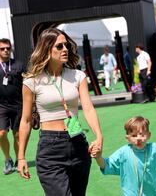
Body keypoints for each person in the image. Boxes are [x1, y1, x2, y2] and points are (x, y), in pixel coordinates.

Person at [18, 28, 103, 196]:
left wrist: (99, 136)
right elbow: (26, 121)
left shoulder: (78, 76)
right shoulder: (32, 81)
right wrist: (21, 157)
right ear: (46, 49)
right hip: (50, 150)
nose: (65, 49)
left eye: (66, 45)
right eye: (59, 46)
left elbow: (88, 108)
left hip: (78, 144)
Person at [91, 116, 156, 196]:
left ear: (149, 135)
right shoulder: (123, 152)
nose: (139, 138)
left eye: (142, 134)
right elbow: (106, 165)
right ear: (127, 138)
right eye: (134, 136)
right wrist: (98, 157)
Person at [0, 38, 25, 174]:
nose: (6, 51)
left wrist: (31, 106)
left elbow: (27, 85)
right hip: (1, 106)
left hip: (18, 105)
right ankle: (7, 159)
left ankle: (18, 159)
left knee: (17, 136)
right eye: (2, 48)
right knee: (1, 133)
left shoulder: (19, 65)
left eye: (8, 48)